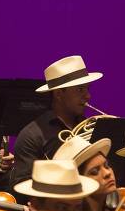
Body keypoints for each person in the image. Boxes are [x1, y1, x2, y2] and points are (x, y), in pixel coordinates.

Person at [11, 55, 103, 191]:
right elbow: (21, 188)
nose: (88, 96)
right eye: (80, 89)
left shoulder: (91, 128)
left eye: (87, 89)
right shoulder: (32, 135)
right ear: (59, 93)